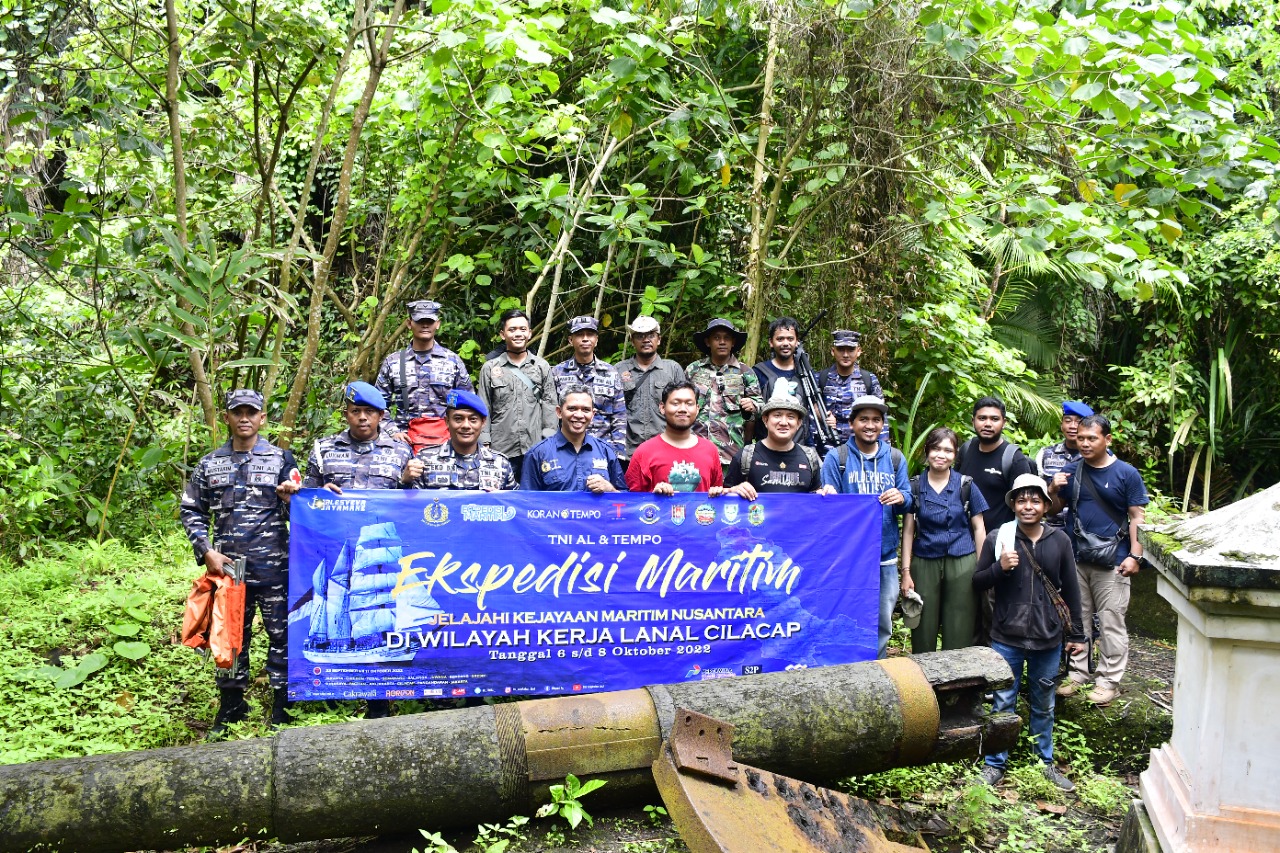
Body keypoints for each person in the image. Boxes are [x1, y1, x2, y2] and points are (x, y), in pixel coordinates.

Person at [180, 390, 301, 735]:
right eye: (238, 412)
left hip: (276, 567)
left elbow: (303, 511)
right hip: (230, 570)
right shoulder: (209, 464)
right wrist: (206, 551)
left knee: (283, 635)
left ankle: (283, 702)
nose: (244, 418)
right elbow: (191, 510)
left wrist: (291, 500)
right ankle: (232, 704)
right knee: (229, 637)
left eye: (252, 412)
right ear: (228, 418)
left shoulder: (282, 460)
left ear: (262, 418)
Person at [302, 381, 416, 719]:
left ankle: (380, 701)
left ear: (381, 415)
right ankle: (335, 690)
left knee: (378, 612)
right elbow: (304, 500)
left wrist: (410, 482)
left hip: (376, 549)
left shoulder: (401, 452)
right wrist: (318, 492)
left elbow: (415, 503)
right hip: (334, 548)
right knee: (339, 611)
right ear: (347, 413)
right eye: (356, 411)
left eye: (369, 412)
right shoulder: (323, 450)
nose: (362, 418)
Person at [972, 473, 1085, 791]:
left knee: (1044, 702)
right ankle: (995, 763)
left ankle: (1043, 764)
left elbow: (1072, 591)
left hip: (1047, 637)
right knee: (1003, 701)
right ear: (1013, 504)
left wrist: (1076, 635)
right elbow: (978, 581)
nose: (1028, 506)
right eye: (1021, 500)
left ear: (1046, 505)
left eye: (1035, 500)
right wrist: (999, 567)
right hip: (1007, 635)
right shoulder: (999, 538)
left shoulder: (1060, 541)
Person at [1048, 414, 1148, 706]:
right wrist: (1053, 489)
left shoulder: (1126, 473)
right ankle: (1078, 673)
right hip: (1076, 558)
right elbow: (1054, 510)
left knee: (1111, 620)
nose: (1085, 443)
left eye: (1092, 438)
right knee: (1077, 620)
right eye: (1080, 438)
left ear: (1108, 439)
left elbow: (1137, 517)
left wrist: (1135, 556)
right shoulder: (1072, 470)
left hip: (1113, 560)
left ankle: (1108, 680)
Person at [818, 395, 912, 659]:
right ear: (851, 423)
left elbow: (909, 500)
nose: (870, 425)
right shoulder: (837, 458)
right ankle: (844, 671)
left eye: (876, 420)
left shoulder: (894, 458)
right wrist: (828, 495)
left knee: (883, 620)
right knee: (843, 616)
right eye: (863, 419)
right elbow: (829, 508)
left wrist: (902, 497)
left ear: (882, 425)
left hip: (884, 557)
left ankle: (877, 670)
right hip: (847, 557)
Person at [900, 427, 989, 653]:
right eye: (936, 448)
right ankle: (923, 682)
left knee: (960, 624)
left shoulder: (966, 485)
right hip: (925, 560)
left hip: (962, 560)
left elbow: (979, 527)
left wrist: (981, 567)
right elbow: (909, 531)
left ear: (955, 455)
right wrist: (906, 572)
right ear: (927, 451)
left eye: (948, 450)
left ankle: (956, 683)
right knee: (922, 624)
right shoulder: (915, 486)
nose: (941, 455)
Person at [375, 300, 474, 451]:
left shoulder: (452, 361)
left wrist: (456, 432)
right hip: (404, 444)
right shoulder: (393, 362)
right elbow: (378, 405)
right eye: (420, 321)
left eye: (430, 321)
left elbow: (468, 403)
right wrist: (393, 432)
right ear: (409, 323)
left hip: (445, 444)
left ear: (438, 324)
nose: (425, 325)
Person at [477, 308, 557, 482]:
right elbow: (484, 406)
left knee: (533, 498)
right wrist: (485, 442)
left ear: (529, 333)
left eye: (522, 329)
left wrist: (549, 442)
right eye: (512, 330)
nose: (518, 334)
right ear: (502, 334)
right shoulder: (490, 368)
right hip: (500, 448)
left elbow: (551, 406)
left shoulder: (541, 366)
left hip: (535, 448)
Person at [685, 318, 764, 466]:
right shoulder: (693, 370)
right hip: (695, 450)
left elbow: (761, 407)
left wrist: (753, 405)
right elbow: (680, 404)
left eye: (726, 338)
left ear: (733, 342)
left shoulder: (745, 372)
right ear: (708, 342)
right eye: (716, 338)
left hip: (731, 452)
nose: (722, 342)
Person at [625, 380, 726, 495]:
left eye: (689, 403)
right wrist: (654, 496)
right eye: (675, 403)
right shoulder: (645, 452)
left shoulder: (710, 450)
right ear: (662, 407)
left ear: (697, 409)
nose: (683, 409)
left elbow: (718, 499)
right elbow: (631, 502)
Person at [521, 385, 626, 493]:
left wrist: (610, 489)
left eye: (585, 410)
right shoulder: (538, 454)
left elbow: (626, 501)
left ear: (593, 414)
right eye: (572, 408)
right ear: (559, 412)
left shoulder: (606, 451)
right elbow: (526, 502)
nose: (579, 415)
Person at [549, 315, 627, 457]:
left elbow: (619, 415)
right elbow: (552, 415)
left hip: (603, 449)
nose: (585, 339)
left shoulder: (610, 372)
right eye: (579, 335)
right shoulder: (557, 373)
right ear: (570, 340)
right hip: (566, 450)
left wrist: (618, 453)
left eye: (590, 334)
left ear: (596, 340)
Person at [409, 389, 516, 491]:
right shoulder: (425, 460)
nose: (466, 425)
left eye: (473, 419)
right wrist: (405, 481)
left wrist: (500, 498)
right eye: (458, 419)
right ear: (447, 421)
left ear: (483, 422)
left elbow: (517, 503)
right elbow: (409, 504)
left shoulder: (500, 463)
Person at [724, 388, 822, 499]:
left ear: (799, 423)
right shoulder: (745, 456)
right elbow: (725, 500)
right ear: (765, 420)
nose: (784, 422)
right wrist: (733, 491)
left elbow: (817, 501)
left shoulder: (810, 458)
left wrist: (827, 494)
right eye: (777, 415)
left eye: (791, 417)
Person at [955, 396, 1034, 532]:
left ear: (1004, 422)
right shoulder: (966, 450)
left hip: (998, 541)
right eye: (982, 418)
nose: (988, 424)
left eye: (994, 419)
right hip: (963, 540)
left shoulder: (1014, 459)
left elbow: (1026, 506)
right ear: (973, 421)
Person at [615, 315, 686, 462]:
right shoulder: (619, 370)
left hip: (666, 451)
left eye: (651, 335)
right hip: (629, 453)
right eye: (640, 336)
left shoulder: (672, 369)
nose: (646, 340)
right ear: (632, 340)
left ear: (658, 339)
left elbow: (684, 411)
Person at [817, 329, 883, 447]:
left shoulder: (868, 379)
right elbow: (811, 415)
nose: (846, 355)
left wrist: (883, 450)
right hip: (827, 448)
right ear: (833, 351)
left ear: (858, 351)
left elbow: (881, 418)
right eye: (841, 349)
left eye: (851, 350)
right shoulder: (821, 378)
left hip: (859, 447)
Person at [1035, 401, 1094, 529]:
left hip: (1087, 532)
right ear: (1062, 425)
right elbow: (1036, 493)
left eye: (1078, 422)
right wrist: (1052, 488)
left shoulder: (1097, 456)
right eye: (1068, 421)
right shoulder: (1045, 454)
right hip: (1053, 528)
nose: (1072, 426)